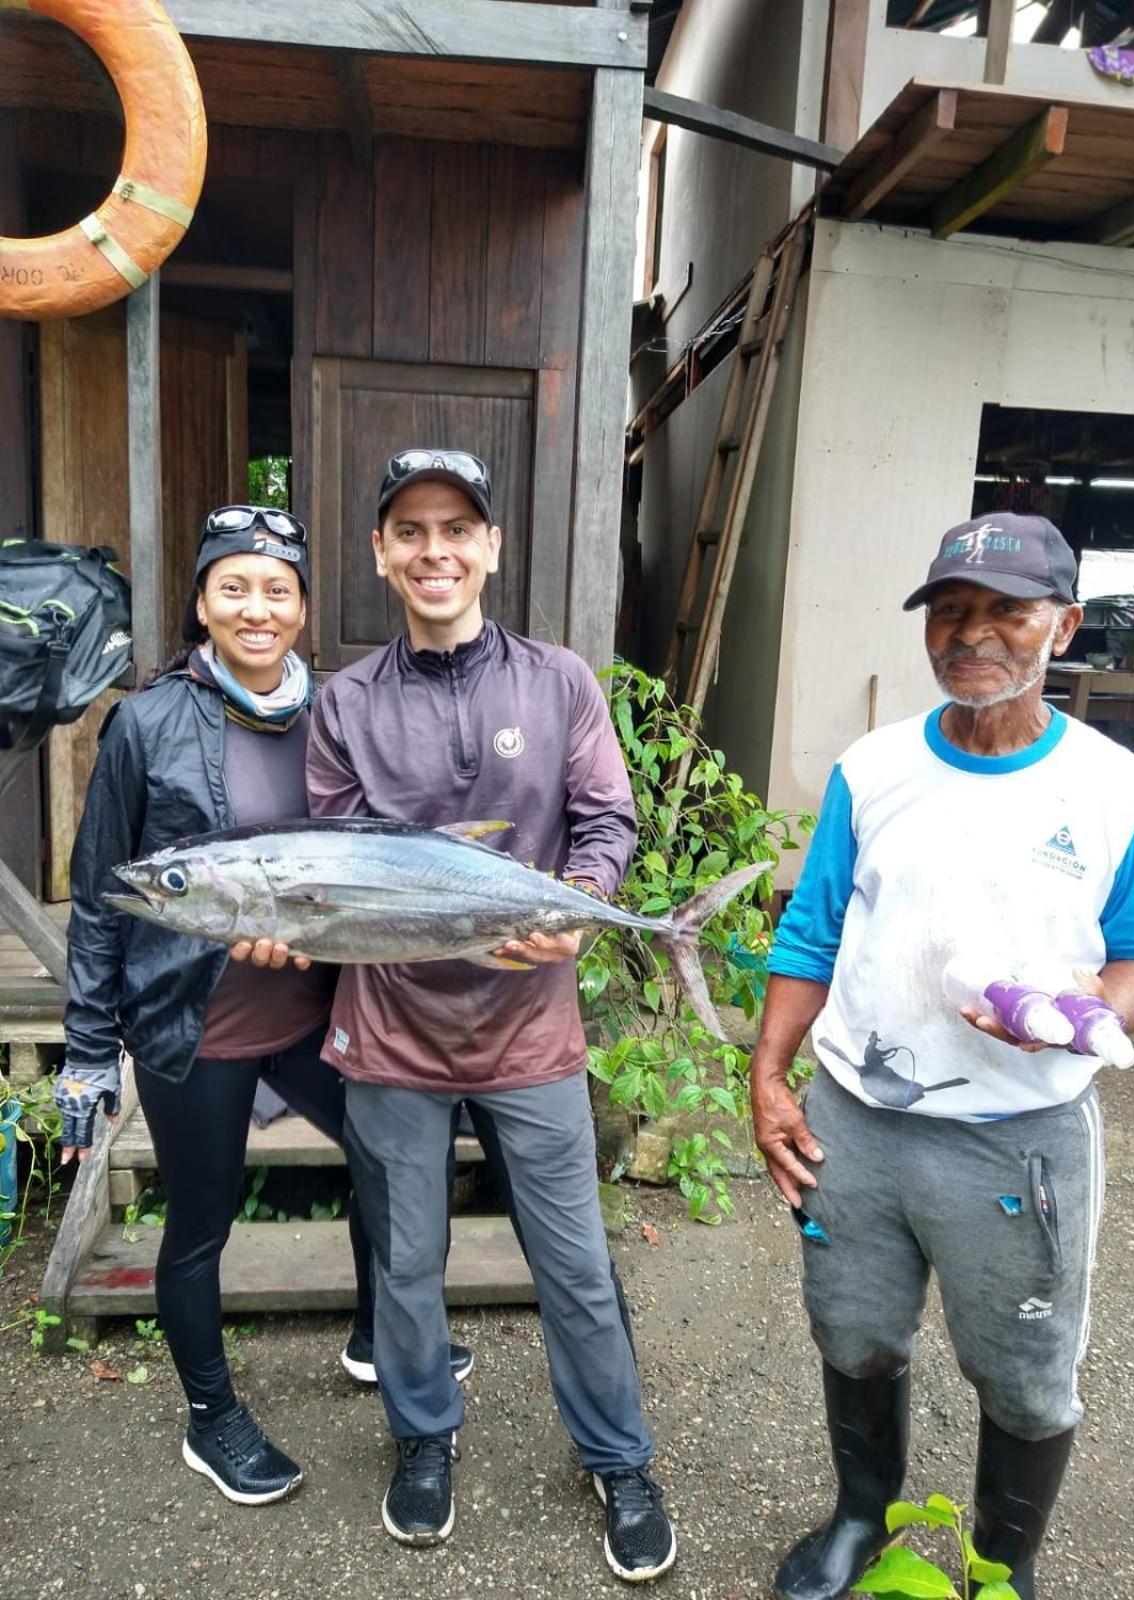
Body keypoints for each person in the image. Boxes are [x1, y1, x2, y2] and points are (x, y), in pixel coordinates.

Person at [750, 512, 1134, 1600]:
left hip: (1019, 1141)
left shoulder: (1114, 788)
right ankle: (862, 1517)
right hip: (857, 1117)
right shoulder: (873, 768)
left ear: (1064, 624)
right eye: (951, 611)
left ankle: (1005, 1560)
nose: (973, 633)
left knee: (1028, 1377)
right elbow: (812, 932)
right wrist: (769, 1075)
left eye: (1007, 610)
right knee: (852, 1334)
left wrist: (1086, 1011)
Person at [305, 448, 676, 1583]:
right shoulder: (344, 703)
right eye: (409, 530)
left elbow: (606, 822)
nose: (434, 550)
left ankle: (619, 1457)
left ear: (492, 547)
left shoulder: (559, 680)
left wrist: (586, 908)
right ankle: (423, 1439)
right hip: (393, 1034)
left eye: (456, 528)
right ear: (380, 552)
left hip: (532, 1029)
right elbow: (337, 867)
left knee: (572, 1260)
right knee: (407, 1264)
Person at [57, 505, 445, 1507]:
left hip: (324, 1011)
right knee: (200, 1224)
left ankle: (377, 1336)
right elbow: (104, 890)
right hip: (200, 1027)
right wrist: (88, 1052)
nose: (257, 607)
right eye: (234, 586)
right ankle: (210, 1417)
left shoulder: (342, 712)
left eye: (278, 589)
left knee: (390, 1173)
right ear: (201, 602)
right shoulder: (144, 724)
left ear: (304, 608)